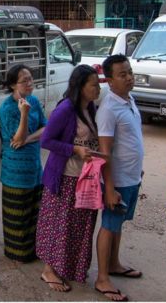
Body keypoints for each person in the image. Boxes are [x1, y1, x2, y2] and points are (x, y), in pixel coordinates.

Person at [37, 65, 101, 292]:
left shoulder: (91, 107)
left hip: (85, 178)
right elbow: (47, 141)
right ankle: (49, 270)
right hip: (65, 177)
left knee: (79, 226)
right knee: (60, 225)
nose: (98, 88)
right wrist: (74, 149)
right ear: (80, 87)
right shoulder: (65, 109)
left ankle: (69, 267)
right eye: (93, 84)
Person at [95, 54, 144, 302]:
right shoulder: (109, 108)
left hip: (131, 177)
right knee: (109, 225)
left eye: (130, 72)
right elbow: (105, 152)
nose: (129, 78)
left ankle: (114, 264)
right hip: (118, 181)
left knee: (119, 224)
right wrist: (109, 187)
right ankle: (103, 277)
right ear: (110, 80)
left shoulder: (129, 100)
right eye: (122, 74)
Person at [0, 64, 47, 263]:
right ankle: (18, 253)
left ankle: (34, 249)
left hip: (34, 166)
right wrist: (25, 115)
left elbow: (46, 128)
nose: (29, 83)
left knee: (35, 211)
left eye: (30, 78)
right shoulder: (8, 108)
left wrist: (28, 139)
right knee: (17, 215)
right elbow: (15, 138)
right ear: (12, 85)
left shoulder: (34, 101)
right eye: (24, 80)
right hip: (15, 171)